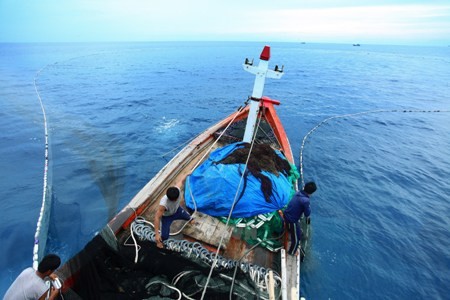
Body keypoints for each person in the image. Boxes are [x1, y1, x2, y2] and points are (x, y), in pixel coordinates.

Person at [283, 182, 317, 256]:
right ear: (311, 193)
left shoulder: (298, 193)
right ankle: (292, 252)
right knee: (297, 238)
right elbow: (307, 213)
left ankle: (289, 228)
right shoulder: (306, 201)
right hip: (292, 220)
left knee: (294, 229)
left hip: (286, 214)